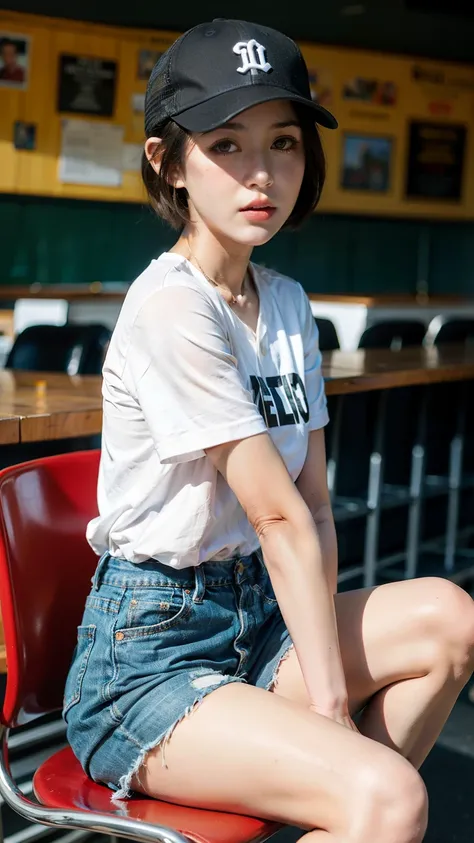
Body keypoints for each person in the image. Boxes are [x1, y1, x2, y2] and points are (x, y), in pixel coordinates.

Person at [63, 18, 474, 843]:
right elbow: (277, 515)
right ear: (168, 163)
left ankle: (343, 815)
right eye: (227, 143)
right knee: (390, 798)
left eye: (283, 142)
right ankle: (363, 808)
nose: (263, 173)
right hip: (149, 659)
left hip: (262, 618)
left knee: (450, 618)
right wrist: (329, 708)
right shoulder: (174, 307)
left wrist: (327, 703)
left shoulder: (286, 304)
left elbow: (316, 508)